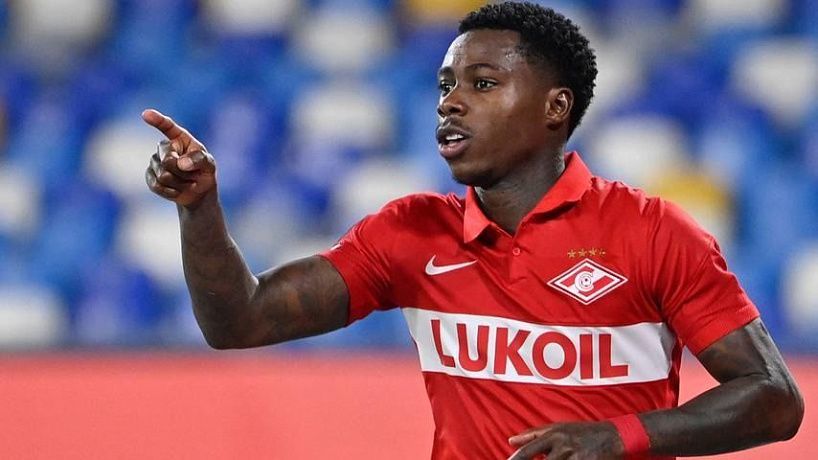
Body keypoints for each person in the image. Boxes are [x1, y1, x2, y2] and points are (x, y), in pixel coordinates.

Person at [142, 2, 803, 459]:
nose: (450, 102)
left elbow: (774, 399)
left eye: (483, 84)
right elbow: (241, 321)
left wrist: (618, 436)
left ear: (555, 106)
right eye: (444, 85)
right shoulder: (410, 234)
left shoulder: (652, 232)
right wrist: (199, 207)